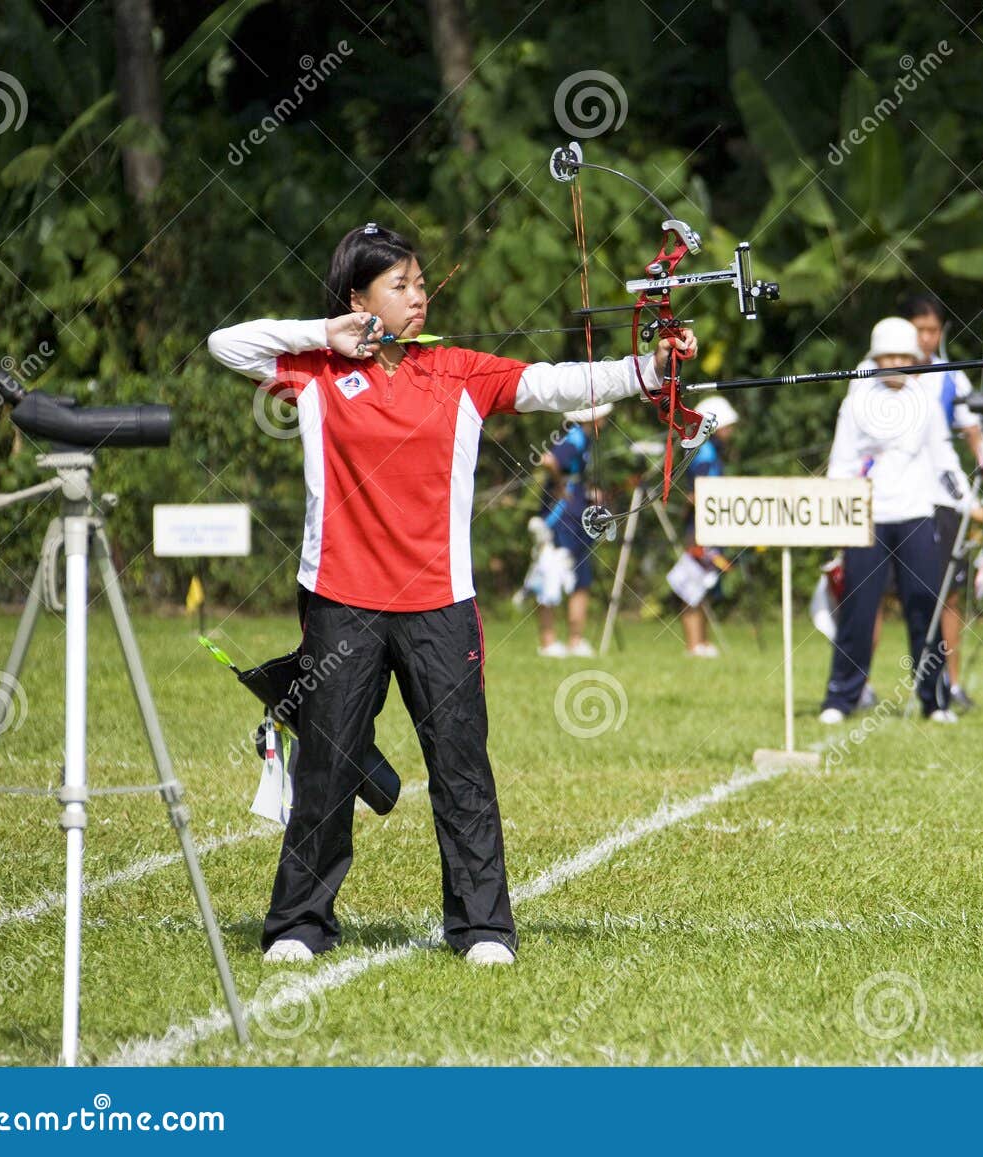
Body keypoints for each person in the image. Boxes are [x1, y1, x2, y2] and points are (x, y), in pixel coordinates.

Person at [207, 222, 697, 967]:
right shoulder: (312, 371)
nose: (419, 297)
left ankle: (482, 928)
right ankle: (299, 924)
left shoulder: (459, 371)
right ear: (357, 299)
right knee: (328, 764)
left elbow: (552, 383)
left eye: (420, 283)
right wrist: (325, 334)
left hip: (440, 602)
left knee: (461, 765)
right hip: (341, 598)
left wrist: (648, 369)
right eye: (399, 285)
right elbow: (225, 343)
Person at [820, 317, 959, 725]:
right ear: (876, 359)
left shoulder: (925, 401)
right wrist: (838, 512)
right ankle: (841, 697)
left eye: (903, 356)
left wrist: (967, 500)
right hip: (868, 516)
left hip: (916, 513)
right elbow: (842, 462)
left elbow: (943, 458)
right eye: (888, 357)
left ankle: (935, 701)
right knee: (859, 609)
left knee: (924, 606)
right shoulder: (855, 402)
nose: (896, 364)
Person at [898, 292, 983, 712]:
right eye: (919, 330)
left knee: (948, 594)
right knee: (878, 595)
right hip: (893, 499)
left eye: (933, 330)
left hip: (940, 499)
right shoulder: (877, 370)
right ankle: (858, 687)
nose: (927, 338)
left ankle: (949, 685)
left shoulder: (952, 376)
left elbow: (975, 435)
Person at [536, 403, 611, 658]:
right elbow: (550, 460)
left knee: (580, 577)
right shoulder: (575, 437)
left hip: (577, 517)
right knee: (552, 576)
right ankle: (550, 641)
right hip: (562, 519)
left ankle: (574, 641)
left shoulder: (583, 438)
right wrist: (561, 485)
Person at [676, 394, 739, 658]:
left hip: (709, 524)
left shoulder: (710, 450)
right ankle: (694, 644)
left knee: (704, 582)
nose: (731, 431)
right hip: (700, 526)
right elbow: (697, 491)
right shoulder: (704, 452)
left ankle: (701, 642)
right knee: (693, 582)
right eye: (727, 426)